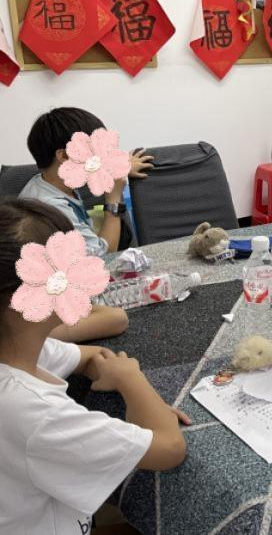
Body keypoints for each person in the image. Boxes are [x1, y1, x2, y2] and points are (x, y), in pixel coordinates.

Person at [0, 199, 187, 534]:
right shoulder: (34, 411)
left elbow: (89, 358)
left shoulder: (22, 351)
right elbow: (170, 448)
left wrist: (142, 402)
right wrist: (132, 380)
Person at [19, 107, 153, 258]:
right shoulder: (53, 209)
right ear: (64, 156)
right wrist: (113, 200)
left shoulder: (49, 181)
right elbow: (104, 257)